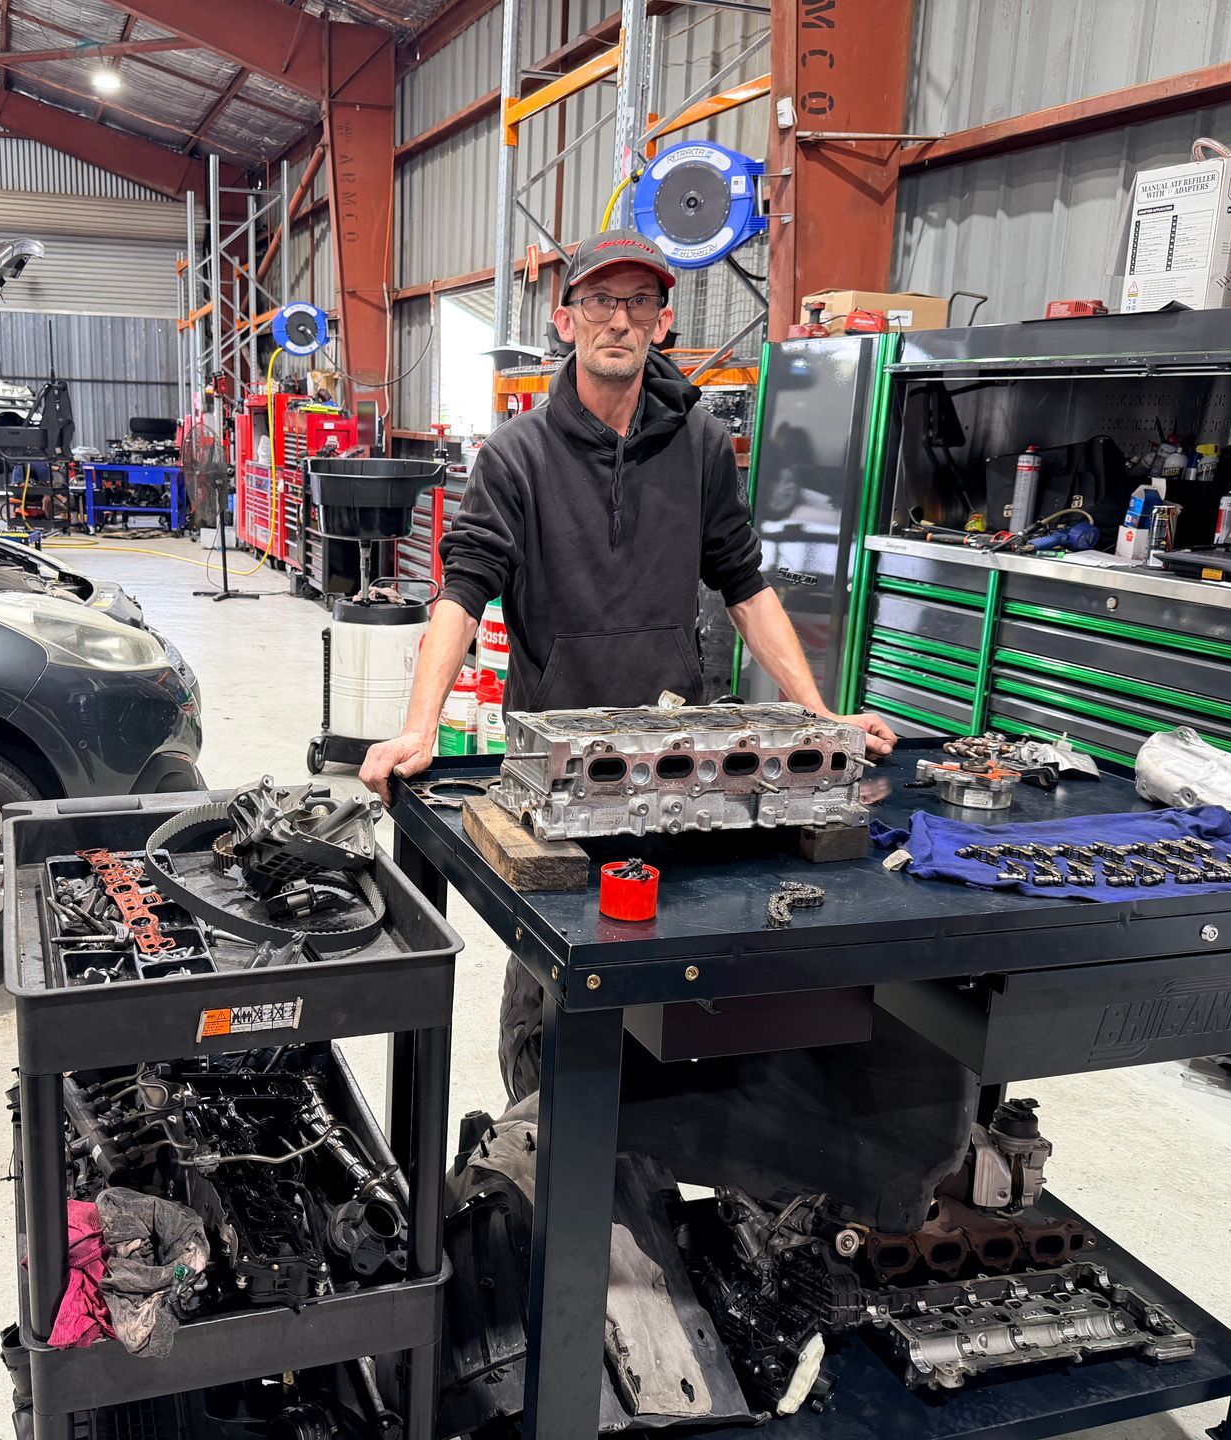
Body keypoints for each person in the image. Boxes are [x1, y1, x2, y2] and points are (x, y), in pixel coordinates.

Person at [358, 226, 898, 1099]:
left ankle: (663, 1142)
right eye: (601, 302)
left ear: (662, 320)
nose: (619, 319)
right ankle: (532, 1156)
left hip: (681, 761)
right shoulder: (517, 457)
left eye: (638, 302)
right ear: (566, 321)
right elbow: (462, 592)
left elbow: (745, 586)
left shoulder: (696, 447)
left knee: (684, 986)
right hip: (559, 785)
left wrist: (819, 716)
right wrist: (419, 729)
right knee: (554, 998)